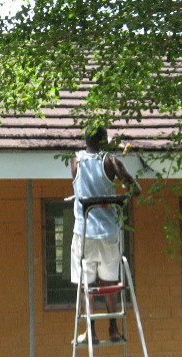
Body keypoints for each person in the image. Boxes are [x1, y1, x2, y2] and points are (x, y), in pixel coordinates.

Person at [71, 125, 141, 343]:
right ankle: (113, 329)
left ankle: (90, 331)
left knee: (87, 283)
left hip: (84, 231)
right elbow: (135, 188)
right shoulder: (110, 161)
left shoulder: (75, 161)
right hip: (109, 231)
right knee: (110, 281)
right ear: (102, 140)